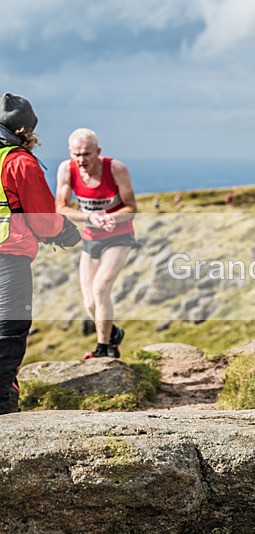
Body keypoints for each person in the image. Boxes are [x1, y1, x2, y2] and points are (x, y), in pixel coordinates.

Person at [0, 93, 80, 414]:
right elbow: (44, 221)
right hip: (8, 261)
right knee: (8, 331)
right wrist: (66, 233)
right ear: (25, 131)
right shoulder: (20, 162)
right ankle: (4, 407)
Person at [56, 128, 138, 359]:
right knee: (90, 302)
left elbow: (131, 207)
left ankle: (104, 348)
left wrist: (114, 217)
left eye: (86, 154)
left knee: (101, 287)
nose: (81, 160)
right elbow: (61, 207)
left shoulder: (116, 169)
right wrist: (90, 217)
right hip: (91, 237)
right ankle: (113, 334)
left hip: (118, 236)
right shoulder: (66, 170)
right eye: (76, 154)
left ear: (98, 152)